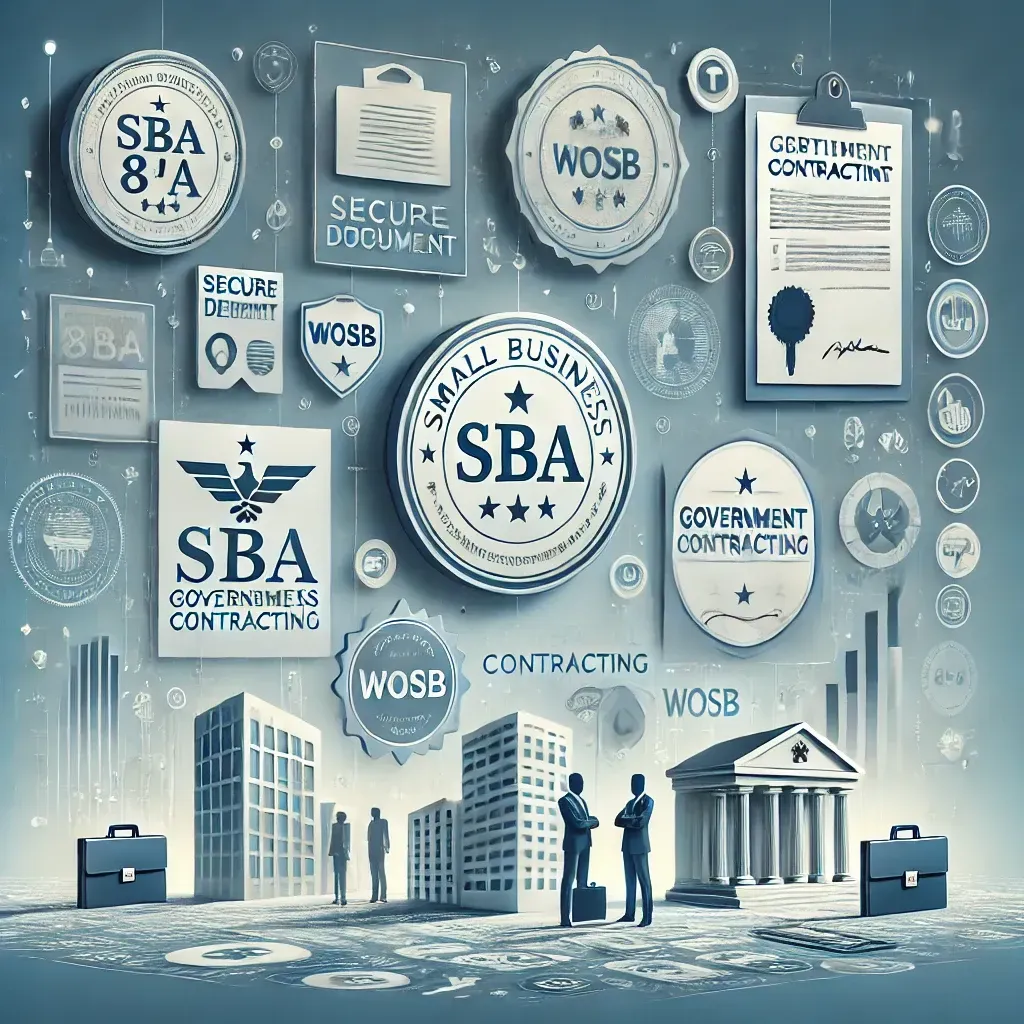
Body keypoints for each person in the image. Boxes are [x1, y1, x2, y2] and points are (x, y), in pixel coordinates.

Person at [557, 772, 600, 927]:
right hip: (573, 844)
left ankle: (582, 915)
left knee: (583, 881)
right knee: (568, 880)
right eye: (578, 782)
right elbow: (577, 823)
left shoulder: (582, 801)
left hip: (585, 844)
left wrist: (587, 822)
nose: (581, 786)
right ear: (571, 784)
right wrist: (593, 821)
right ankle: (565, 918)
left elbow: (583, 822)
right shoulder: (565, 801)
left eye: (582, 782)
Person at [614, 773, 654, 927]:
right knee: (629, 881)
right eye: (632, 783)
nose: (633, 786)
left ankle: (647, 916)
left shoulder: (648, 801)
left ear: (642, 784)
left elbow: (642, 822)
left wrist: (628, 819)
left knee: (644, 881)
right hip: (627, 846)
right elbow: (617, 820)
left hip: (640, 846)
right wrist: (632, 818)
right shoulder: (630, 803)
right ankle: (629, 914)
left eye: (636, 783)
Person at [367, 807, 390, 903]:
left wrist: (387, 847)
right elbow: (369, 839)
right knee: (374, 875)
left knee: (381, 873)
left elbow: (386, 835)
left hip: (380, 851)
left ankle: (383, 896)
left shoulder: (383, 822)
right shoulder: (371, 824)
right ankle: (374, 896)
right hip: (372, 851)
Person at [328, 811, 349, 906]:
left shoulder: (344, 827)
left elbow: (347, 841)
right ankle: (339, 897)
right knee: (339, 876)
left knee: (340, 876)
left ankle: (341, 897)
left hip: (341, 854)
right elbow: (334, 840)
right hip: (338, 853)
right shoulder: (337, 827)